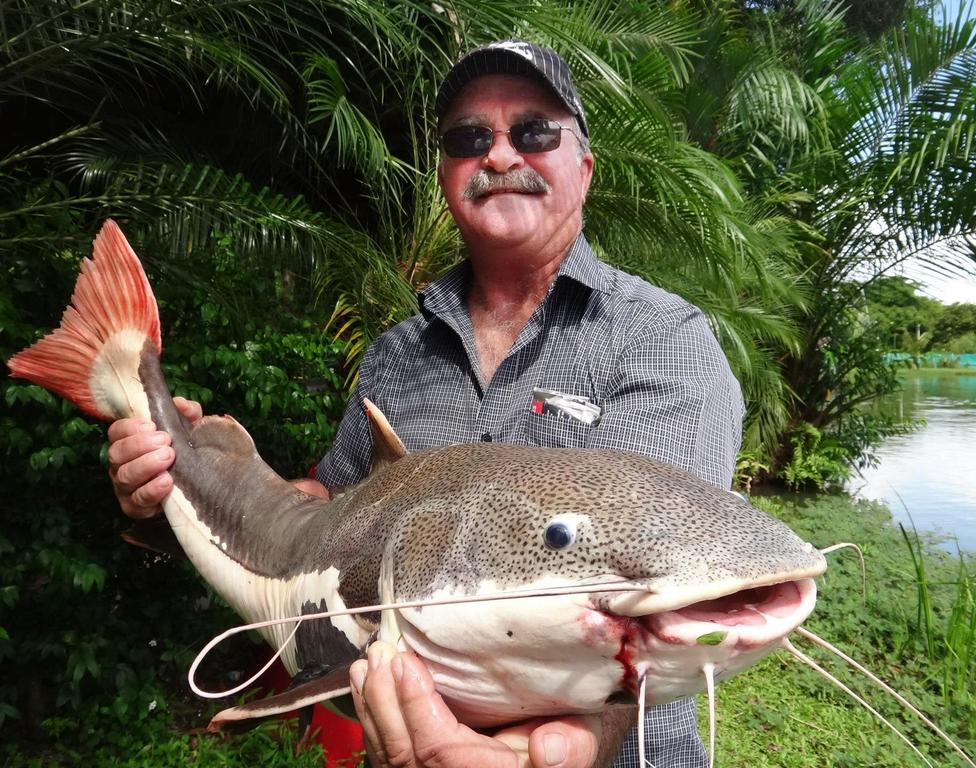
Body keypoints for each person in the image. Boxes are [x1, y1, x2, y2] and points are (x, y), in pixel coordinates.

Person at [107, 40, 743, 768]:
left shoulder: (664, 340)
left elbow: (658, 578)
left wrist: (584, 740)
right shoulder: (395, 354)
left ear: (584, 167)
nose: (501, 155)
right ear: (445, 174)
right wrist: (184, 474)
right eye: (469, 138)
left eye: (534, 131)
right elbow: (329, 504)